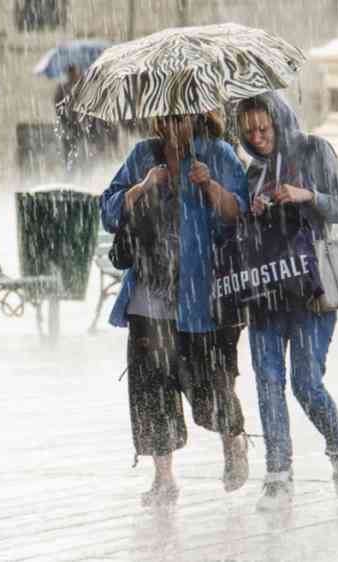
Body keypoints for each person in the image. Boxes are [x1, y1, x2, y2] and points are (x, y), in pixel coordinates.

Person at [100, 110, 251, 507]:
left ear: (197, 117)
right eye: (166, 118)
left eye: (181, 118)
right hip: (148, 297)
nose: (173, 127)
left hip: (199, 296)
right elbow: (108, 210)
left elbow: (240, 212)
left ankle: (234, 442)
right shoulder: (142, 155)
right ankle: (163, 479)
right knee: (151, 390)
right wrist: (142, 186)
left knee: (208, 383)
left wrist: (209, 186)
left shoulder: (215, 153)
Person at [235, 92, 338, 511]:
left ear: (279, 122)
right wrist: (253, 211)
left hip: (312, 290)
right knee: (268, 382)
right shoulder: (252, 172)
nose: (257, 138)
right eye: (249, 132)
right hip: (267, 292)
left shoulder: (314, 150)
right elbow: (247, 235)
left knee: (306, 384)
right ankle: (278, 475)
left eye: (263, 129)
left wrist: (307, 196)